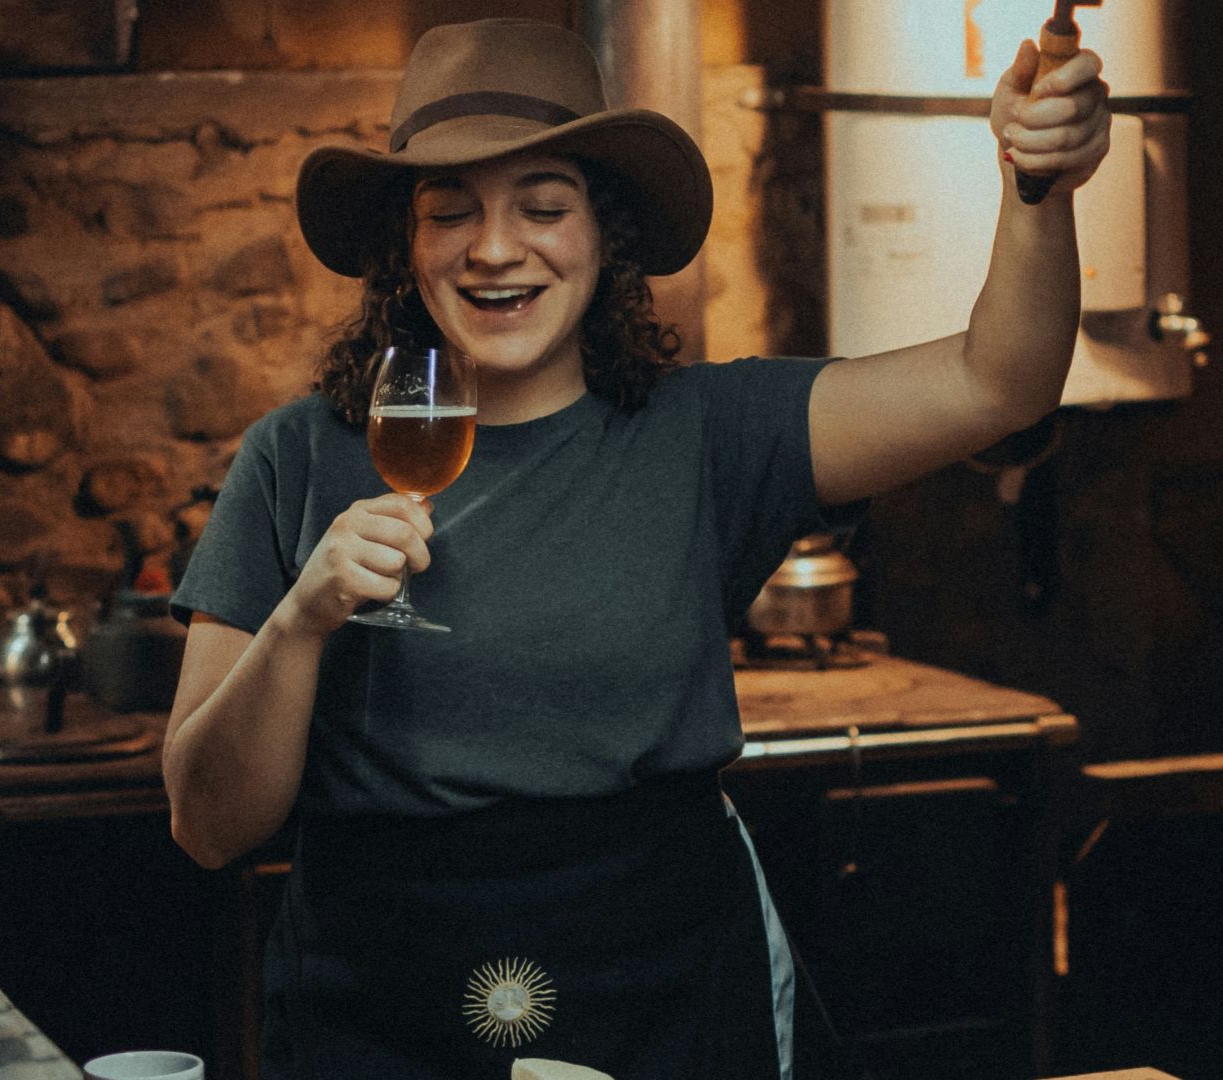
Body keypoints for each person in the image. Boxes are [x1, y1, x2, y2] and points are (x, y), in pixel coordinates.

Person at [163, 17, 1111, 1080]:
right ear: (405, 244)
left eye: (544, 206)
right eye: (449, 211)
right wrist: (300, 621)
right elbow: (206, 824)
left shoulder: (710, 434)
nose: (493, 247)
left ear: (605, 231)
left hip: (660, 1000)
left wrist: (1038, 190)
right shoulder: (295, 457)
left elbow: (1001, 380)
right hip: (380, 1014)